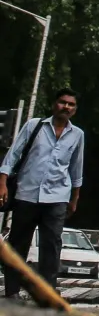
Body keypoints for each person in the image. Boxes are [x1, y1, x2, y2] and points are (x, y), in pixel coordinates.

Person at [0, 90, 85, 298]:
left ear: (74, 110)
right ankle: (12, 291)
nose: (66, 107)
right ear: (54, 104)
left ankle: (47, 292)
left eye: (71, 105)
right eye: (63, 102)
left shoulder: (77, 135)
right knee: (19, 244)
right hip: (27, 194)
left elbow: (76, 169)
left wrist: (74, 199)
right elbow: (13, 155)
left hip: (57, 197)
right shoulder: (34, 126)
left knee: (52, 245)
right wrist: (2, 183)